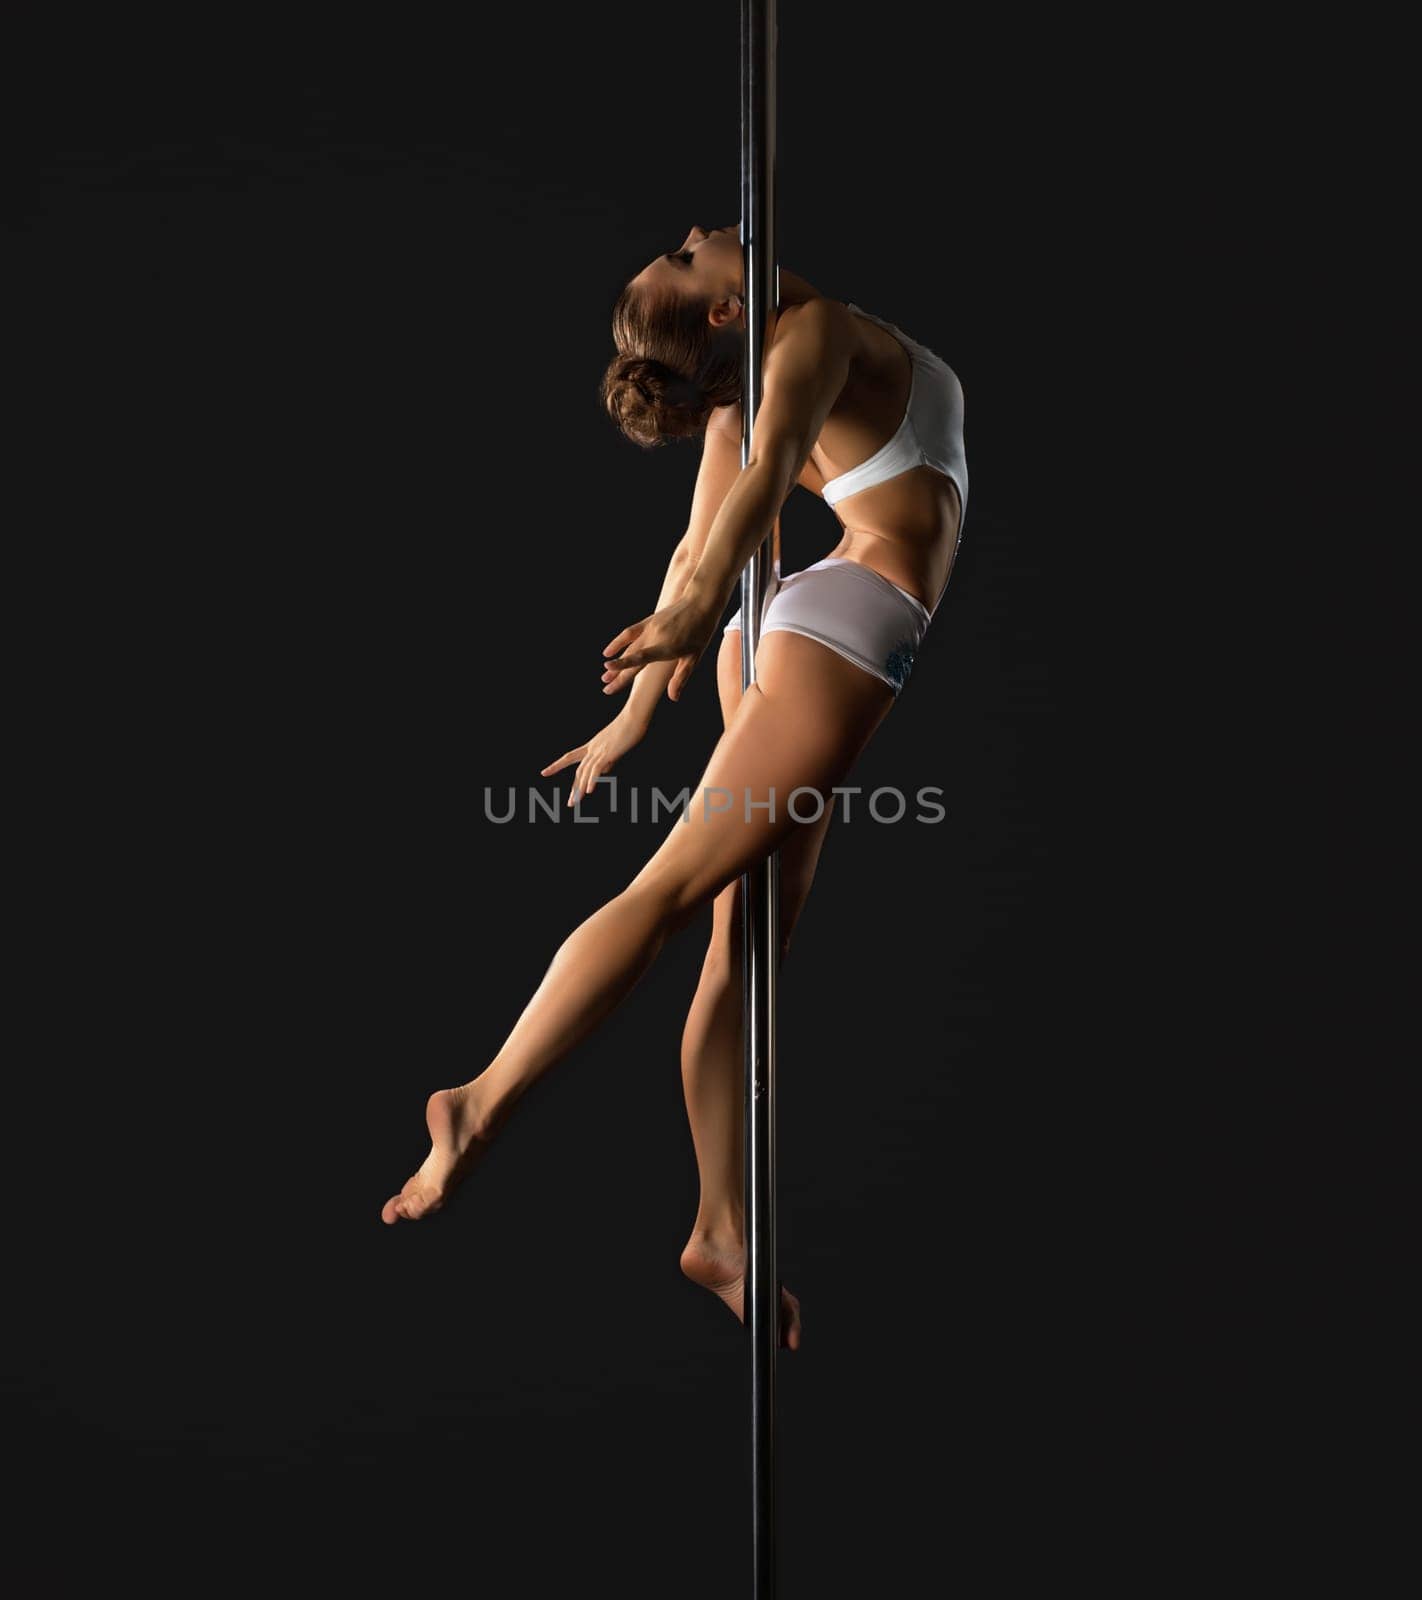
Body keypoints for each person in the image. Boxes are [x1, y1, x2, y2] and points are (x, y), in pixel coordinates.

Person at [380, 223, 968, 1353]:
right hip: (842, 622)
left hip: (794, 619)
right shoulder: (814, 335)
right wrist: (686, 633)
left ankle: (718, 1233)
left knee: (744, 948)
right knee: (668, 894)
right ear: (722, 313)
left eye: (679, 245)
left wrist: (644, 703)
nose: (697, 235)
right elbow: (744, 508)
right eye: (686, 260)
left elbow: (700, 547)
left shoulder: (743, 386)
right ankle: (479, 1102)